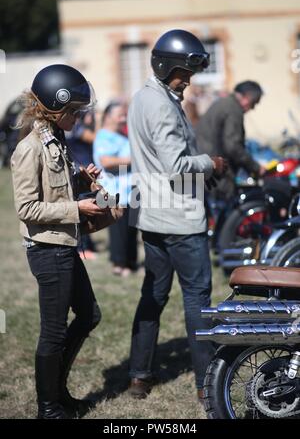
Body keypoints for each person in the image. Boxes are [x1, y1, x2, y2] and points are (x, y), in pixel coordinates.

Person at [11, 64, 122, 419]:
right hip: (47, 249)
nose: (80, 118)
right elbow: (26, 207)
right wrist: (77, 205)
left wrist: (81, 180)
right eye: (74, 111)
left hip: (63, 244)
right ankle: (48, 408)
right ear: (55, 107)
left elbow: (55, 190)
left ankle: (58, 395)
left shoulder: (56, 140)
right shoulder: (30, 148)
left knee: (89, 315)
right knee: (53, 332)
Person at [126, 29, 227, 402]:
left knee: (152, 297)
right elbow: (176, 165)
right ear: (165, 66)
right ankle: (206, 384)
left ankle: (139, 376)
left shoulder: (143, 98)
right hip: (180, 221)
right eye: (184, 72)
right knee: (197, 299)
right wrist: (212, 164)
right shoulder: (162, 104)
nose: (188, 80)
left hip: (152, 217)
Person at [196, 80, 265, 202]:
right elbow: (233, 146)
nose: (252, 108)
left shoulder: (224, 103)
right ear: (247, 98)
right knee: (224, 212)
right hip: (216, 172)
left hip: (204, 165)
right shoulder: (233, 109)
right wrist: (255, 167)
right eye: (254, 103)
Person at [93, 101, 137, 276]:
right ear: (108, 116)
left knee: (131, 228)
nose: (123, 118)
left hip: (130, 190)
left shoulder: (123, 136)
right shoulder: (103, 137)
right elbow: (106, 161)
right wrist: (132, 160)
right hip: (112, 191)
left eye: (124, 114)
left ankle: (131, 262)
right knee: (118, 229)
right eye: (120, 114)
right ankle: (118, 264)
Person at [65, 111, 98, 260]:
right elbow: (96, 138)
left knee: (86, 211)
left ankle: (88, 245)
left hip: (85, 170)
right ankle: (81, 247)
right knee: (82, 212)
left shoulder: (73, 126)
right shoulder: (77, 127)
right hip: (81, 171)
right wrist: (99, 123)